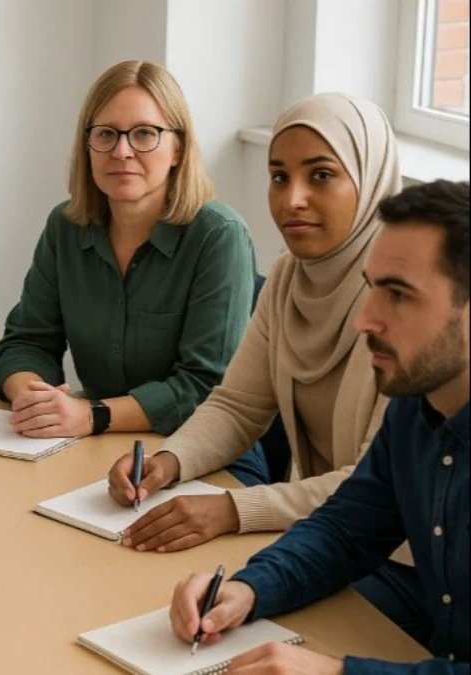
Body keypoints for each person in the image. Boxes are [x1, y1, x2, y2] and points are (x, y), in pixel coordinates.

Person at [168, 179, 468, 674]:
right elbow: (347, 529)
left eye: (399, 296)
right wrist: (249, 588)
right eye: (373, 289)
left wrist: (337, 673)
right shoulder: (414, 407)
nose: (365, 319)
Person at [107, 92, 399, 552]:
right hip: (325, 533)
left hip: (401, 558)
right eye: (279, 177)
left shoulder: (407, 302)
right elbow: (238, 406)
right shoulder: (288, 276)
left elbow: (376, 486)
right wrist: (169, 461)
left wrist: (232, 510)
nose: (293, 199)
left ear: (371, 180)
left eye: (321, 176)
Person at [0, 60, 256, 442]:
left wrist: (92, 415)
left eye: (145, 134)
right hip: (94, 440)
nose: (121, 151)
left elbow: (204, 386)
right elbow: (28, 341)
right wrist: (34, 398)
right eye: (105, 134)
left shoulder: (218, 235)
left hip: (199, 448)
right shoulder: (65, 227)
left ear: (178, 148)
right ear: (88, 145)